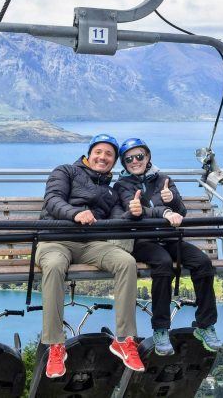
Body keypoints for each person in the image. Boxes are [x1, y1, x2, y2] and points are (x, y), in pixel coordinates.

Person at [37, 134, 145, 379]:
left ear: (114, 161)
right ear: (89, 154)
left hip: (91, 244)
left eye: (109, 154)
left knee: (126, 262)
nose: (103, 157)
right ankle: (55, 344)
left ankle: (124, 339)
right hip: (55, 239)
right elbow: (52, 201)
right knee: (53, 266)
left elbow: (117, 219)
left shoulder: (111, 191)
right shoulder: (65, 171)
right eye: (99, 152)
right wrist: (75, 213)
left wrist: (134, 213)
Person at [113, 138, 221, 356]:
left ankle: (205, 324)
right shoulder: (122, 186)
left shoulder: (164, 180)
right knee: (162, 265)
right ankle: (161, 328)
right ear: (124, 164)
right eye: (129, 159)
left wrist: (171, 200)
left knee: (202, 263)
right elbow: (138, 211)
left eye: (139, 156)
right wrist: (162, 211)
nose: (135, 161)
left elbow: (182, 211)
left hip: (170, 237)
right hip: (142, 240)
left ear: (148, 157)